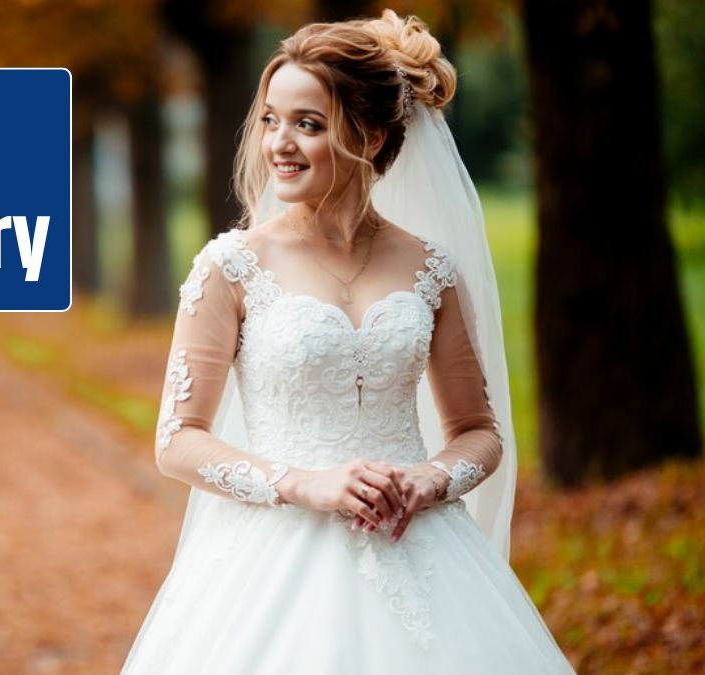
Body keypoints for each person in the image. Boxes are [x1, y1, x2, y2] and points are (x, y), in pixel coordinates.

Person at [120, 10, 577, 674]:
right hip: (269, 560)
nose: (279, 142)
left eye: (308, 124)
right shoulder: (231, 268)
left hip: (423, 553)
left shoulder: (430, 269)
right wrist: (303, 483)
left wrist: (427, 479)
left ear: (371, 137)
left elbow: (479, 429)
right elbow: (178, 439)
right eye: (272, 118)